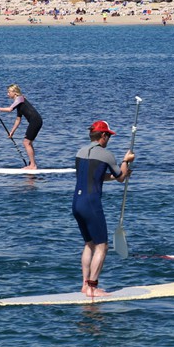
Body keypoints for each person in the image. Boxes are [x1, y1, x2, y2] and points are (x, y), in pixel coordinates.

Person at [72, 120, 134, 297]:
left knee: (89, 244)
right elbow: (121, 177)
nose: (109, 140)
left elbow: (94, 177)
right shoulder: (106, 154)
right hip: (91, 203)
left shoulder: (80, 152)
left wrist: (116, 175)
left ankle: (84, 285)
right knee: (102, 246)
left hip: (76, 202)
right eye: (109, 136)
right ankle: (92, 287)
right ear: (103, 136)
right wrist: (126, 160)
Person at [0, 84, 43, 169]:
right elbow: (18, 119)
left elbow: (10, 109)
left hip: (35, 121)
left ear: (14, 92)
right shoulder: (19, 103)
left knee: (26, 142)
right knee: (28, 143)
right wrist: (12, 132)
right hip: (36, 121)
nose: (7, 94)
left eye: (9, 92)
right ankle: (33, 165)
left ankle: (32, 165)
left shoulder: (20, 98)